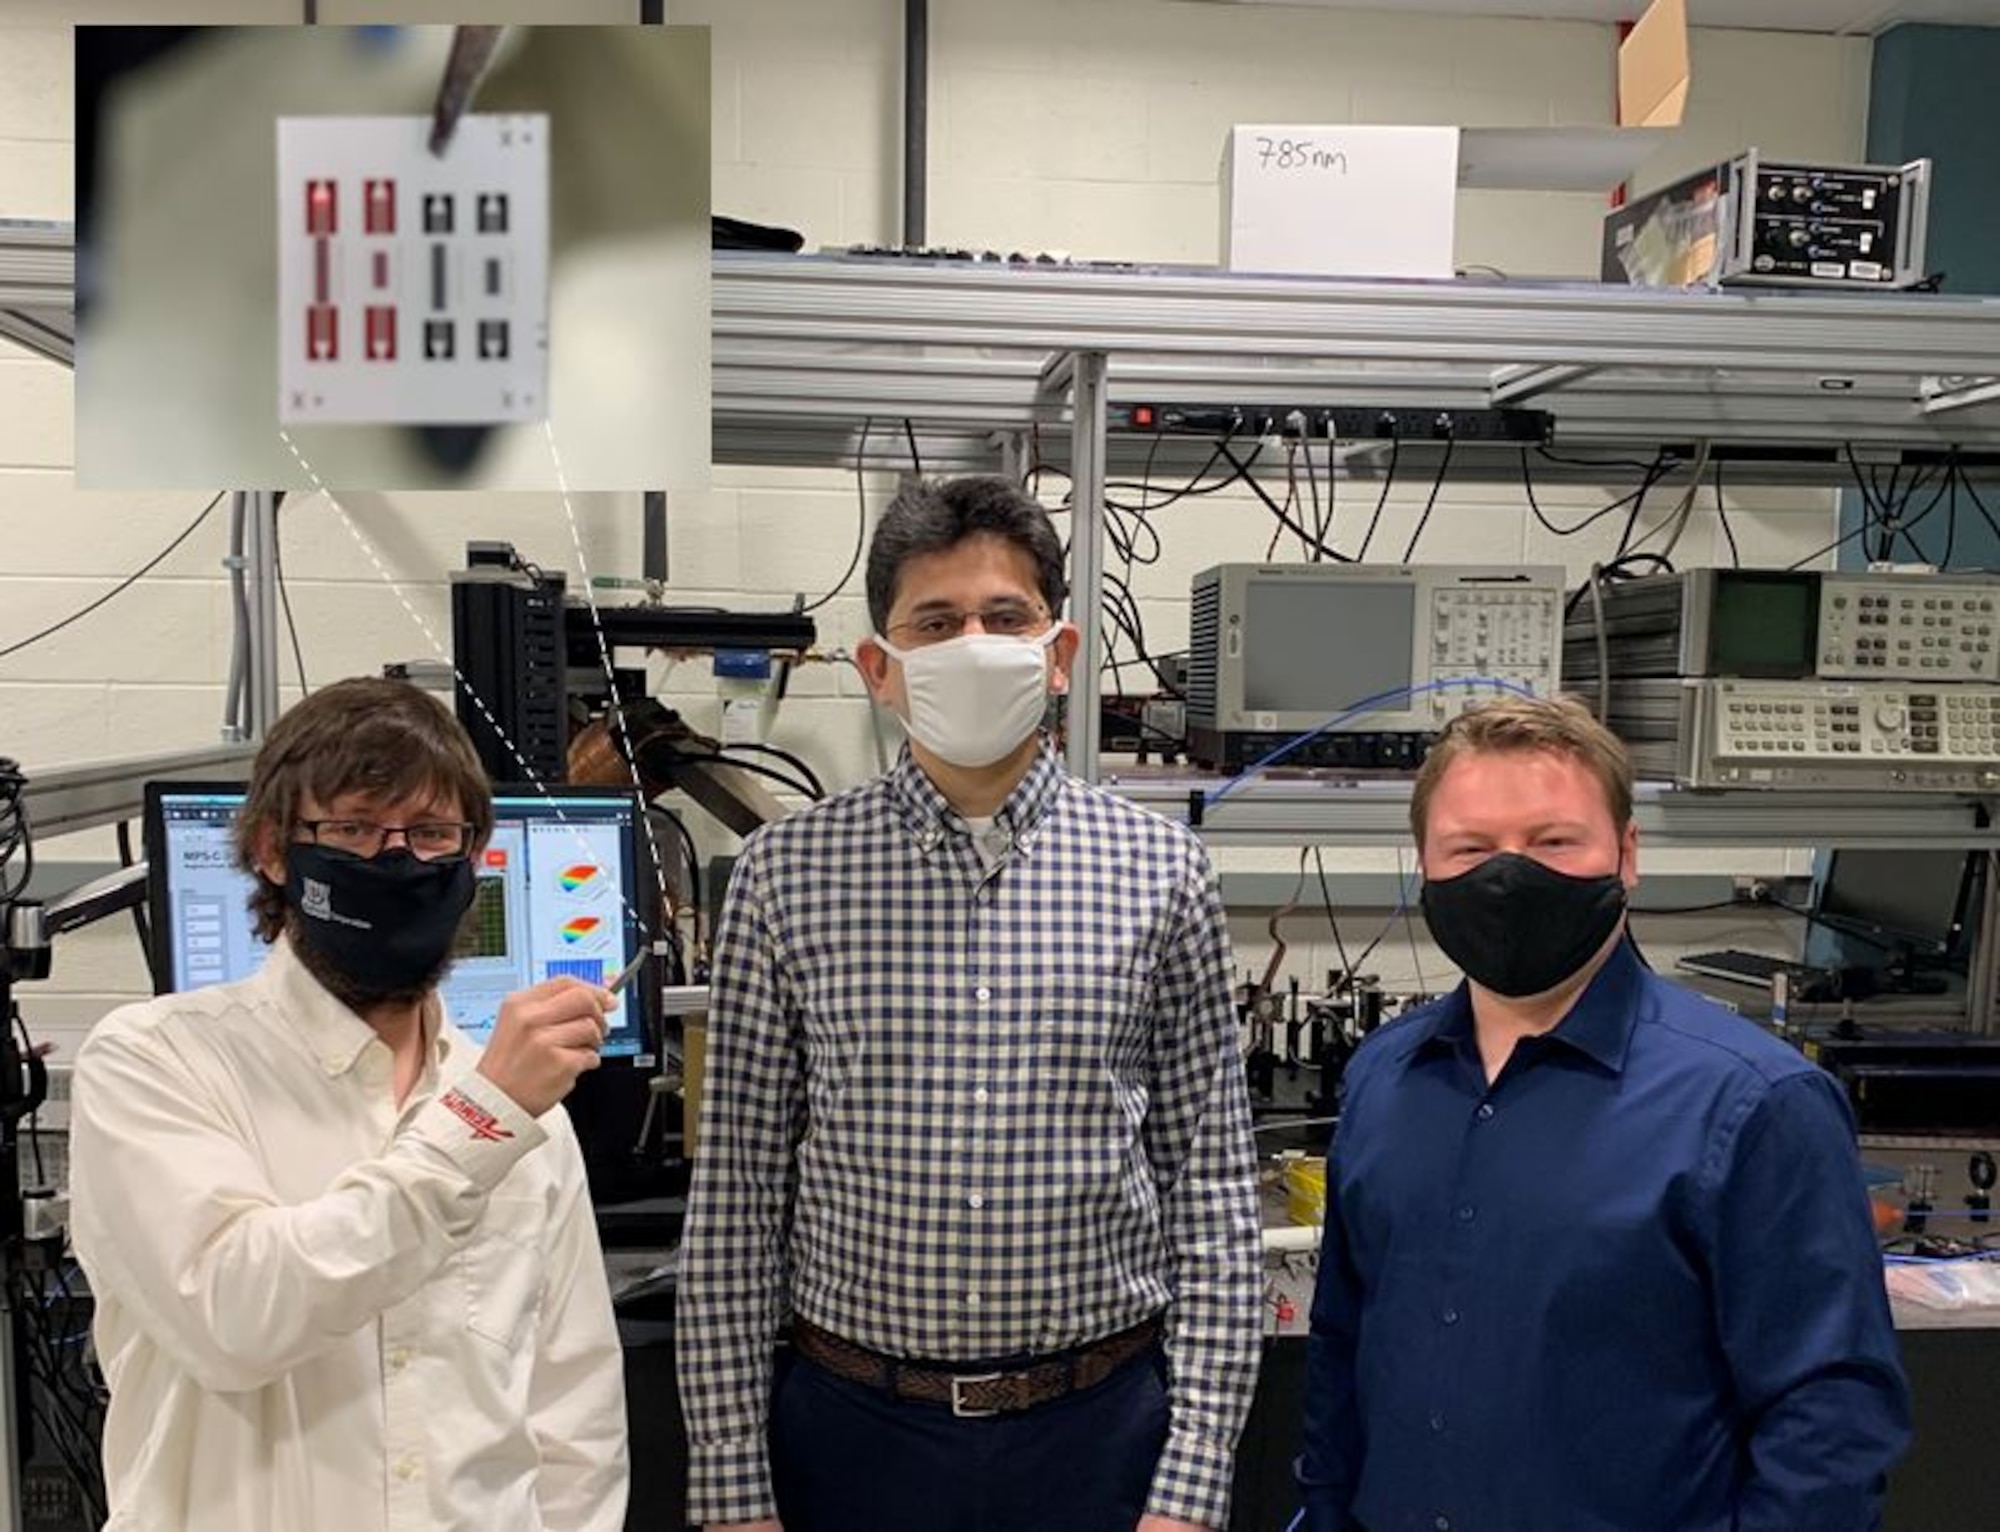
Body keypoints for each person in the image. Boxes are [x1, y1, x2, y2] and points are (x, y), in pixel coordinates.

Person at [677, 475, 1263, 1532]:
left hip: (1099, 1432)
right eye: (935, 623)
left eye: (1006, 617)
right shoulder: (783, 873)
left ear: (1059, 651)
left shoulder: (1160, 872)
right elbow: (736, 1202)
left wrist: (1193, 1472)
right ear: (879, 668)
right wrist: (729, 1475)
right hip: (854, 1433)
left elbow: (1210, 1188)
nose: (973, 642)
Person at [1296, 695, 1910, 1532]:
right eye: (1470, 849)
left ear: (1626, 855)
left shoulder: (1755, 1106)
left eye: (1553, 842)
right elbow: (1341, 1354)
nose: (1508, 877)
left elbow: (1829, 1421)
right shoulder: (1384, 1080)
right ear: (1425, 867)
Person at [70, 677, 629, 1531]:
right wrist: (477, 1127)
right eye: (355, 829)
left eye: (432, 833)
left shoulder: (530, 1119)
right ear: (272, 849)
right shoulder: (155, 1062)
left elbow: (574, 1418)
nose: (396, 860)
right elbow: (235, 1319)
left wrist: (495, 1114)